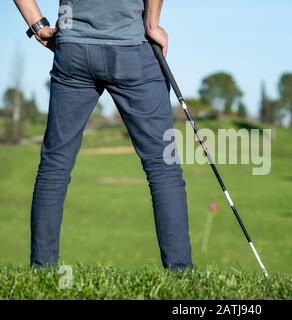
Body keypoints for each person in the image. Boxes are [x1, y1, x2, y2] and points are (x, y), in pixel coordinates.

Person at [13, 0, 193, 271]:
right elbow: (150, 21)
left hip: (73, 48)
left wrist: (37, 24)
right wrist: (152, 24)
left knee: (55, 165)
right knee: (163, 166)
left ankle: (42, 270)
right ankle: (181, 274)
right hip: (132, 46)